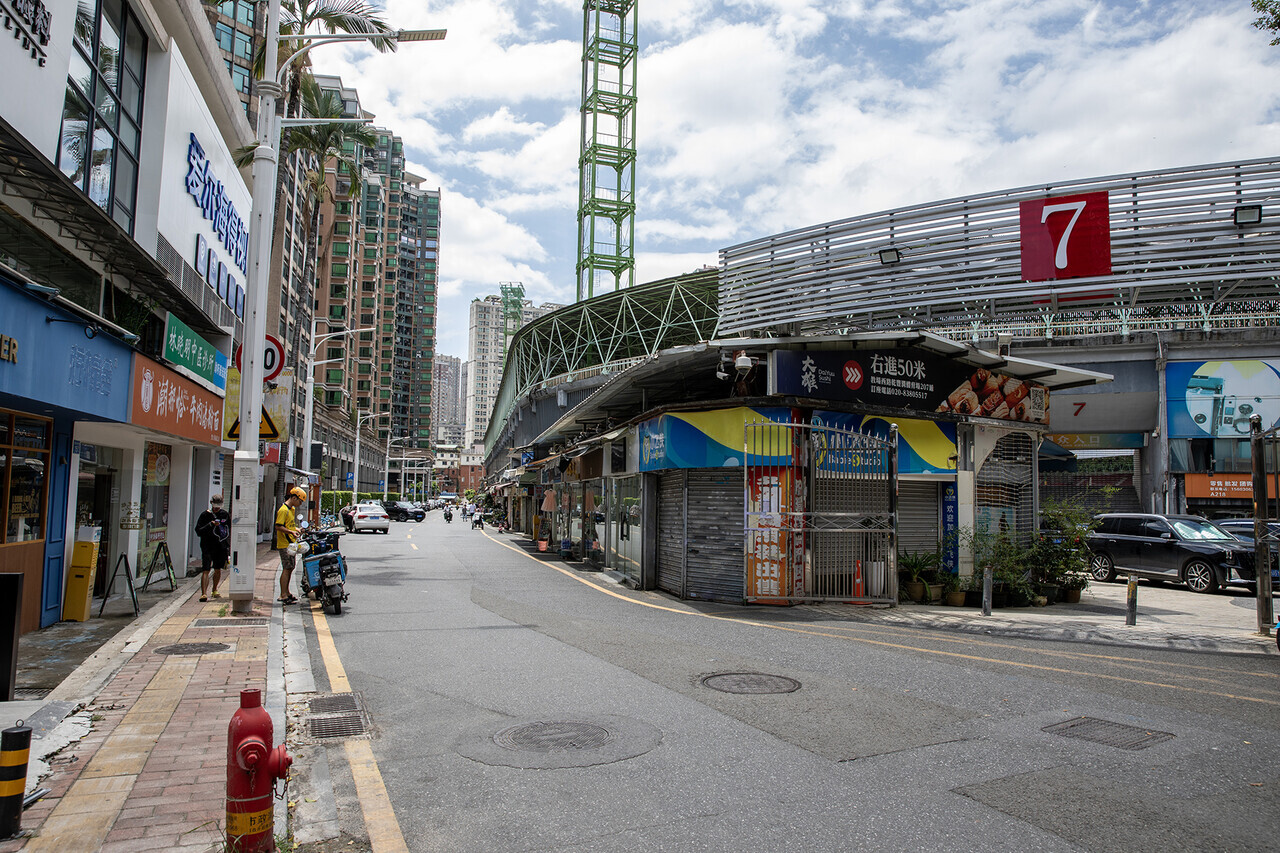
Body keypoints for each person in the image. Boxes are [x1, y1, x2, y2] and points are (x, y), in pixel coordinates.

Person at [194, 495, 229, 602]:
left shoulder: (224, 514)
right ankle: (204, 593)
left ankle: (214, 589)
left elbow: (228, 529)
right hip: (207, 545)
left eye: (219, 505)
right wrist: (210, 525)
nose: (217, 508)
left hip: (220, 545)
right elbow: (198, 531)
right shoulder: (205, 515)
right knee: (206, 569)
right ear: (211, 503)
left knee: (217, 568)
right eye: (215, 505)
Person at [275, 487, 306, 604]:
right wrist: (291, 532)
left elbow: (289, 526)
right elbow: (278, 526)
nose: (300, 504)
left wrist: (297, 530)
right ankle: (283, 595)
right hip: (284, 544)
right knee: (287, 568)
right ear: (293, 498)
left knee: (290, 567)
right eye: (300, 501)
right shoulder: (283, 510)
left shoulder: (291, 510)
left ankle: (287, 592)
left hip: (291, 544)